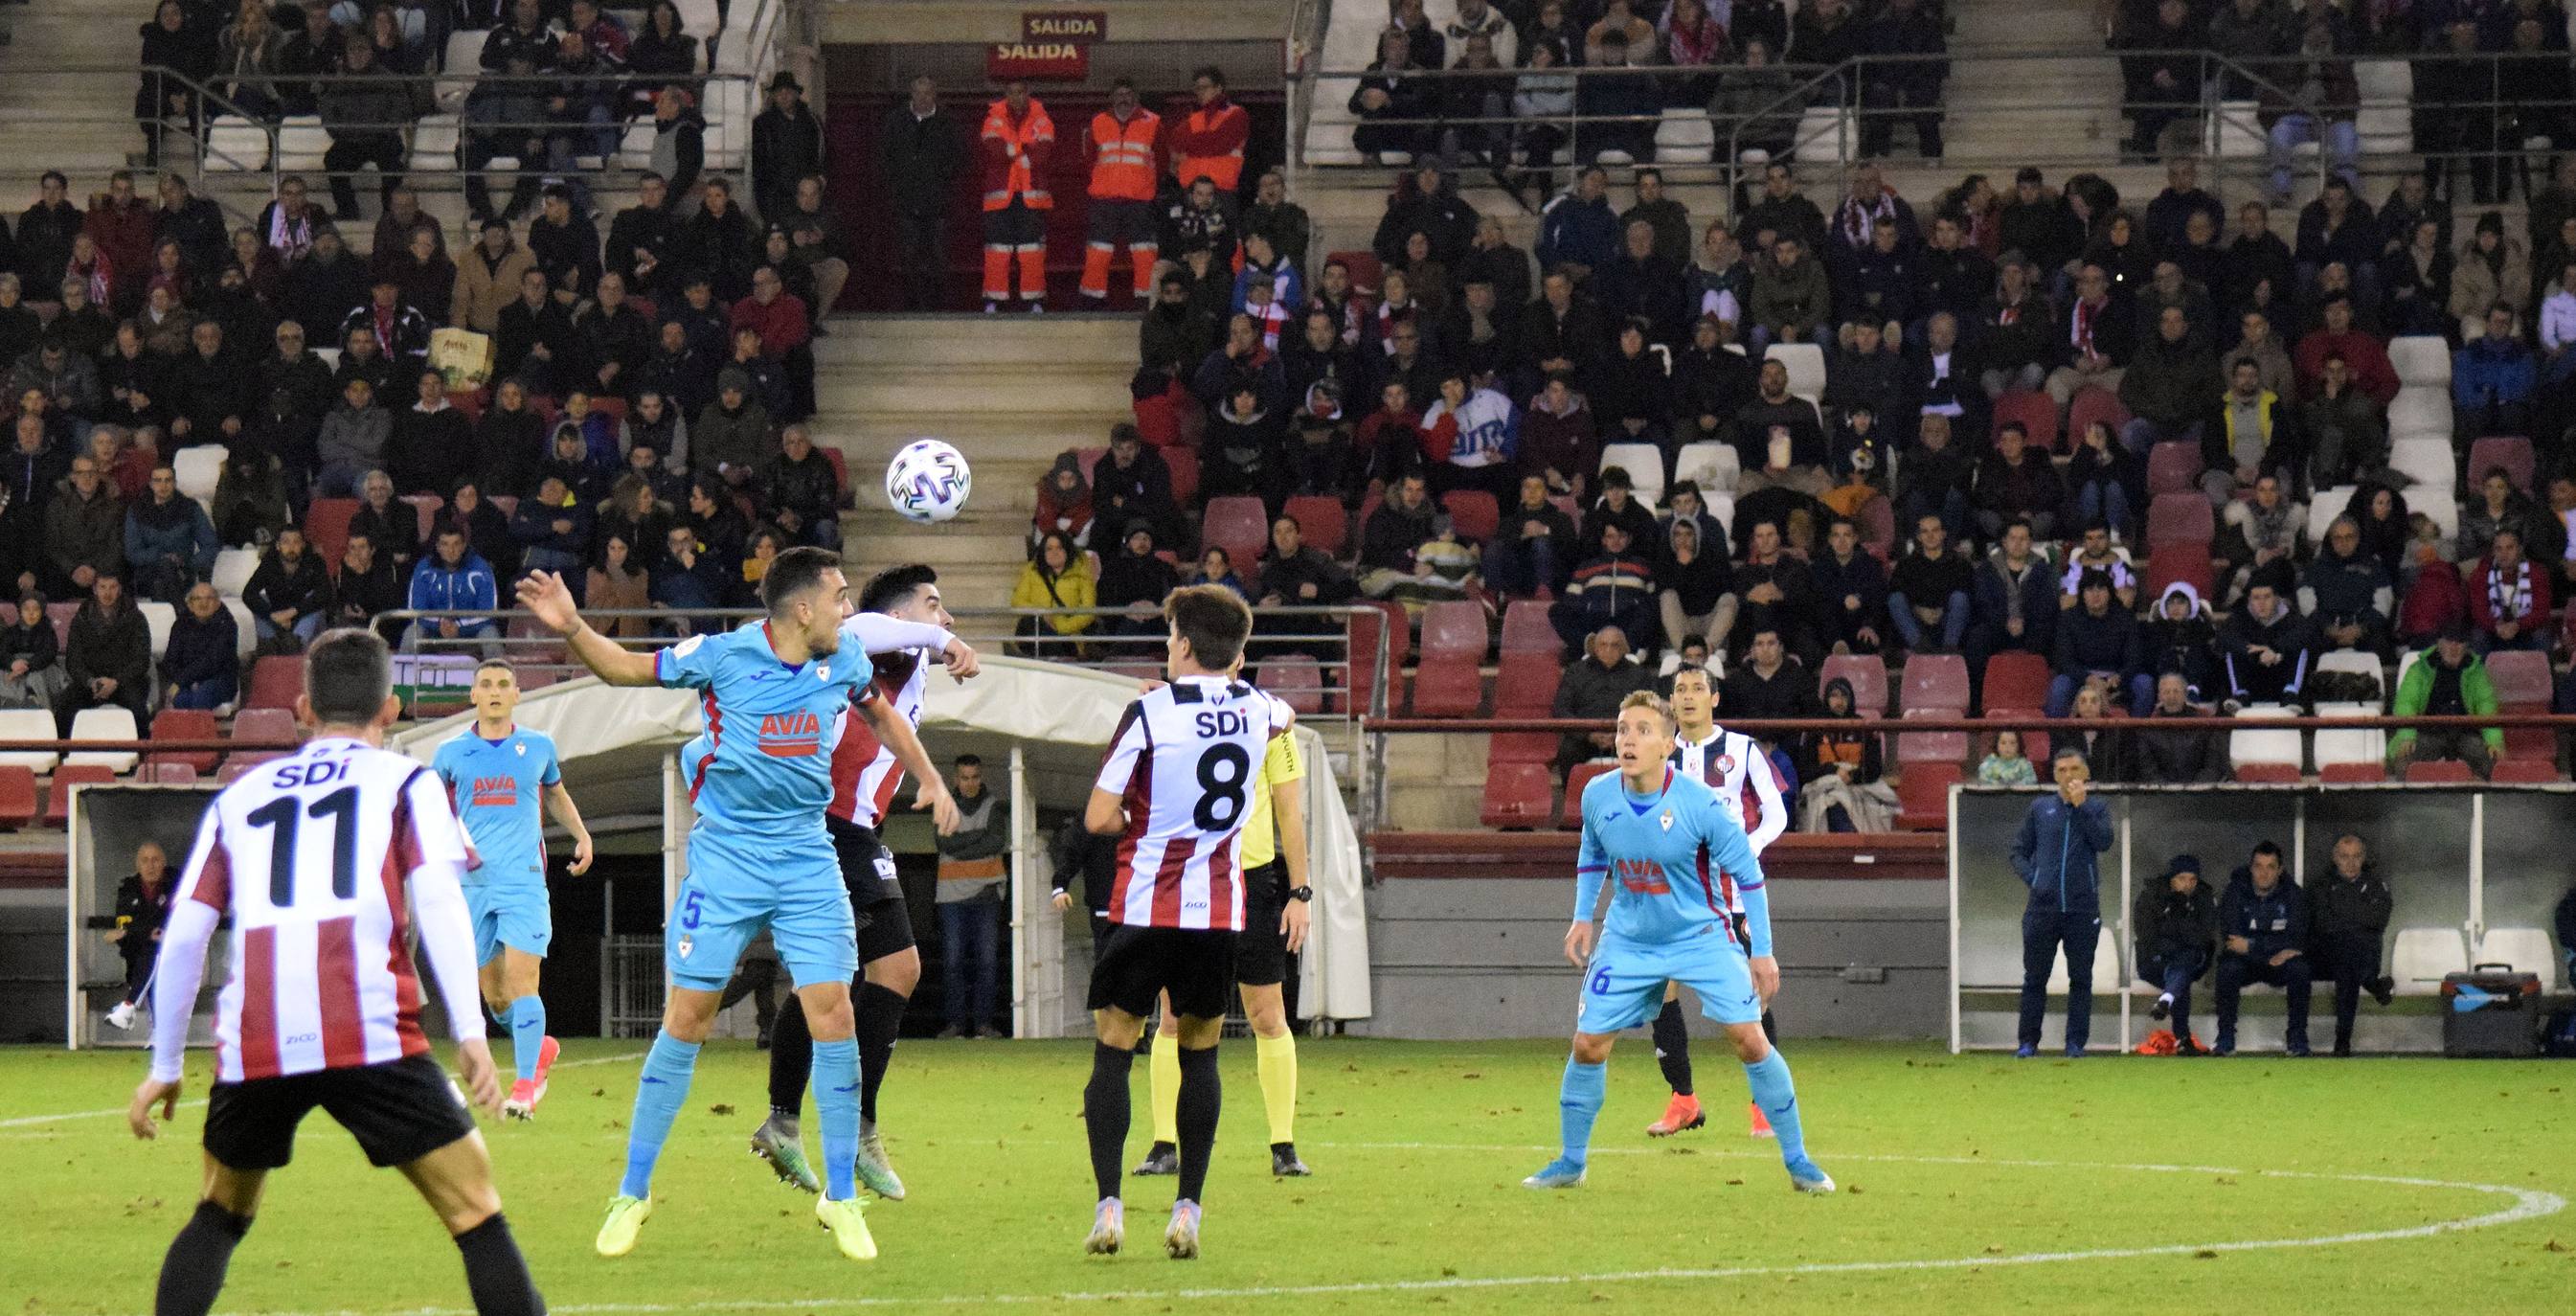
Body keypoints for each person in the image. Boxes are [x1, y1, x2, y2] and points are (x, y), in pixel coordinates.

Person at [516, 550, 951, 1261]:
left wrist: (928, 776)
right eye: (840, 598)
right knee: (687, 1019)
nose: (850, 611)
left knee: (834, 1011)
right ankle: (632, 1192)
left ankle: (840, 1196)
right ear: (801, 608)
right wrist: (571, 628)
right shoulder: (721, 656)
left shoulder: (841, 659)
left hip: (809, 858)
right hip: (727, 862)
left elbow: (884, 720)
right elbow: (625, 670)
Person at [125, 627, 546, 1316]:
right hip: (370, 1031)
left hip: (256, 1040)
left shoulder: (239, 796)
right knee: (476, 1212)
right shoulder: (408, 779)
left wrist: (166, 1063)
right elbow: (439, 899)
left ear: (301, 708)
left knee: (219, 1212)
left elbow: (184, 937)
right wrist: (469, 1031)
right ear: (391, 707)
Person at [1522, 691, 1833, 1194]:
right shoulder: (1597, 794)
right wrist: (1583, 917)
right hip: (1629, 939)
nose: (1629, 739)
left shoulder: (1701, 805)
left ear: (1668, 744)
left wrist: (1762, 951)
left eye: (1643, 730)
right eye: (1623, 728)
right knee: (1588, 1045)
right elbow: (1592, 853)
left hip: (1701, 936)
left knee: (1750, 1039)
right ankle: (1571, 1162)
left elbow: (1749, 876)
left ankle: (1798, 1161)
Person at [745, 566, 979, 1200]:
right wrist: (934, 639)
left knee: (838, 978)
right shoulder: (886, 642)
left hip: (844, 826)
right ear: (906, 618)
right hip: (832, 823)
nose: (947, 618)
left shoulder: (902, 661)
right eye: (935, 605)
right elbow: (863, 624)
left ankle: (785, 1119)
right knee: (894, 970)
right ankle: (856, 1128)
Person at [1077, 586, 1295, 1257]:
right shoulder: (1260, 708)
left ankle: (1110, 1206)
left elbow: (1097, 817)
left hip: (1143, 906)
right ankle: (1188, 1211)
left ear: (1185, 646)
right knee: (1202, 1051)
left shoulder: (1147, 712)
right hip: (1217, 912)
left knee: (1115, 1048)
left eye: (1171, 635)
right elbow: (1283, 714)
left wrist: (1135, 823)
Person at [1136, 648, 1318, 1180]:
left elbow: (1289, 811)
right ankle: (1164, 1143)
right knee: (1173, 1015)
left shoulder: (1269, 721)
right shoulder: (1169, 713)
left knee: (1268, 1014)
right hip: (1192, 876)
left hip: (1253, 881)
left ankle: (1283, 1145)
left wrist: (1300, 892)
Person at [428, 661, 595, 1120]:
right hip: (471, 885)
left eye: (504, 685)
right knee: (496, 999)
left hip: (523, 882)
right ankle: (539, 1048)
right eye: (486, 685)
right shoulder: (449, 754)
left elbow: (556, 794)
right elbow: (431, 813)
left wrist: (582, 835)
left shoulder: (538, 747)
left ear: (517, 695)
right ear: (474, 696)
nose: (496, 691)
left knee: (524, 985)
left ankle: (524, 1088)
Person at [1645, 662, 1793, 1138]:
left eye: (1696, 688)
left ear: (1714, 699)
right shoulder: (1658, 755)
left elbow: (1777, 813)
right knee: (1661, 991)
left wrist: (1746, 847)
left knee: (1752, 1000)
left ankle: (1764, 1107)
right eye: (1679, 689)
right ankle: (1683, 1101)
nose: (1687, 696)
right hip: (1677, 895)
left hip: (1731, 894)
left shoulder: (1743, 750)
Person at [2011, 747, 2113, 1058]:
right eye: (2061, 771)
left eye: (2074, 770)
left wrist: (2081, 808)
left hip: (2083, 909)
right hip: (2042, 908)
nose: (2068, 777)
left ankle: (2075, 1043)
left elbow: (2104, 842)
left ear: (2086, 774)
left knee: (2081, 979)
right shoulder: (2040, 808)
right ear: (2054, 776)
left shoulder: (2097, 808)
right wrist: (2035, 878)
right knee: (2034, 979)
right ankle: (2028, 1042)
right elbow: (2017, 851)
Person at [933, 754, 1009, 1039]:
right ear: (956, 778)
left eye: (974, 777)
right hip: (951, 896)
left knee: (986, 962)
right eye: (964, 777)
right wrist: (978, 837)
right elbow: (942, 842)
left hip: (986, 895)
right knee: (953, 962)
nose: (969, 783)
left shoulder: (994, 806)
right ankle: (955, 1025)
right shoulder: (944, 804)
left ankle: (983, 1025)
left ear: (982, 777)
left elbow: (996, 841)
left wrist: (958, 845)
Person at [2214, 841, 2313, 1057]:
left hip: (2278, 963)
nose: (2264, 873)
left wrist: (2251, 945)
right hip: (2246, 963)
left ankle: (2297, 1038)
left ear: (2280, 870)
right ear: (2251, 868)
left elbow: (2296, 938)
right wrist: (2273, 949)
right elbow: (2232, 938)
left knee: (2300, 969)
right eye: (2259, 866)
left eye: (2270, 867)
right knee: (2227, 969)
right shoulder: (2235, 892)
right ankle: (2225, 1038)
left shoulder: (2293, 895)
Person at [2309, 833, 2395, 1057]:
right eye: (2345, 856)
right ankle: (2374, 985)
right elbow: (2323, 922)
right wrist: (2357, 919)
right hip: (2328, 956)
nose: (2350, 862)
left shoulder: (2376, 885)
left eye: (2356, 857)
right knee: (2347, 959)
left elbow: (2378, 919)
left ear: (2363, 858)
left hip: (2364, 954)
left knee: (2350, 964)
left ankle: (2342, 1041)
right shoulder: (2322, 886)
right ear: (2335, 858)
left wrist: (2344, 919)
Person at [1081, 79, 1161, 307]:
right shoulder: (1098, 122)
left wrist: (1145, 185)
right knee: (1098, 251)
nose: (1123, 98)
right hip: (1104, 199)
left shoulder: (1153, 122)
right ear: (1111, 97)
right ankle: (1092, 301)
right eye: (1119, 94)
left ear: (1136, 96)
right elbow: (1089, 160)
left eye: (1128, 93)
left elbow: (1162, 159)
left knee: (1144, 252)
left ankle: (1146, 301)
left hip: (1140, 200)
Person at [2386, 624, 2502, 778]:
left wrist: (2493, 742)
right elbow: (2406, 704)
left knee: (2495, 764)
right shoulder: (2418, 670)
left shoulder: (2478, 673)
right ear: (2438, 643)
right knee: (2404, 762)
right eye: (2449, 641)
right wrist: (2407, 735)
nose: (2453, 647)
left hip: (2465, 734)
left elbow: (2487, 707)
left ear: (2466, 646)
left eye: (2459, 642)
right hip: (2428, 733)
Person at [980, 80, 1055, 312]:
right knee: (997, 250)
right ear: (1006, 94)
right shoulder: (993, 118)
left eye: (1021, 92)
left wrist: (1011, 149)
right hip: (1001, 197)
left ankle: (1034, 301)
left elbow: (1043, 153)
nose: (1016, 96)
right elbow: (993, 150)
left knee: (1031, 250)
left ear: (1028, 93)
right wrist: (1024, 149)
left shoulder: (1042, 119)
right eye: (1011, 92)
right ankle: (994, 301)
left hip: (1031, 196)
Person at [2134, 854, 2219, 1055]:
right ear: (2172, 879)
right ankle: (2181, 1035)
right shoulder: (2152, 896)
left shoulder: (2204, 898)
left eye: (2192, 880)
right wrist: (2178, 939)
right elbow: (2146, 934)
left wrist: (2177, 919)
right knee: (2182, 970)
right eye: (2182, 879)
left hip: (2189, 960)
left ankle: (2168, 1001)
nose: (2187, 885)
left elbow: (2203, 937)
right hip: (2154, 962)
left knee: (2184, 962)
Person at [57, 572, 150, 736]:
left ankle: (143, 756)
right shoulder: (81, 618)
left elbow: (141, 660)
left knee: (139, 710)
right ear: (94, 589)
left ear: (120, 589)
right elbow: (73, 660)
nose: (107, 593)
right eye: (102, 587)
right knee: (64, 706)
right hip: (90, 682)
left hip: (125, 681)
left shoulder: (136, 618)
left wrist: (116, 681)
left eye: (113, 587)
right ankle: (63, 755)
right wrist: (90, 681)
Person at [102, 840, 173, 1031]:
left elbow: (185, 918)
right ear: (138, 865)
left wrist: (139, 931)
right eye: (145, 861)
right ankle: (159, 1033)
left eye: (155, 860)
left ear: (163, 863)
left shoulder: (176, 884)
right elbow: (124, 925)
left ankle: (128, 1007)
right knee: (152, 954)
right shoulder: (128, 889)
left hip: (179, 955)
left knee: (155, 952)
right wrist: (150, 932)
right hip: (137, 956)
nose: (151, 866)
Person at [1887, 513, 1974, 653]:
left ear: (1943, 534)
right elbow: (1895, 590)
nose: (1930, 536)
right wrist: (1918, 610)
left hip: (1949, 624)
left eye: (1935, 530)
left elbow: (1968, 593)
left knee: (1960, 598)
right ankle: (1921, 650)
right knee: (1895, 599)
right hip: (1916, 627)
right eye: (1925, 531)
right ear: (1919, 537)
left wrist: (1942, 610)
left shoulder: (1960, 563)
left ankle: (1949, 650)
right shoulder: (1906, 564)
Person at [2219, 579, 2312, 710]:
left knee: (2300, 649)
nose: (2262, 603)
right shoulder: (2239, 618)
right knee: (2232, 651)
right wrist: (2257, 655)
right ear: (2250, 600)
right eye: (2256, 598)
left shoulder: (2292, 618)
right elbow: (2225, 637)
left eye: (2267, 597)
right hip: (2251, 678)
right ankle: (2240, 694)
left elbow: (2305, 635)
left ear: (2276, 599)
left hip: (2281, 677)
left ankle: (2291, 694)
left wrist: (2275, 650)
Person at [159, 582, 239, 711]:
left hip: (219, 680)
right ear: (190, 605)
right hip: (186, 681)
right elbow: (170, 660)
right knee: (180, 699)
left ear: (218, 603)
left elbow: (212, 661)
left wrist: (181, 681)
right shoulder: (180, 625)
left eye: (209, 598)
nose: (203, 603)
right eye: (197, 599)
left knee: (202, 696)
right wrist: (180, 681)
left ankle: (201, 730)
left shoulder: (228, 626)